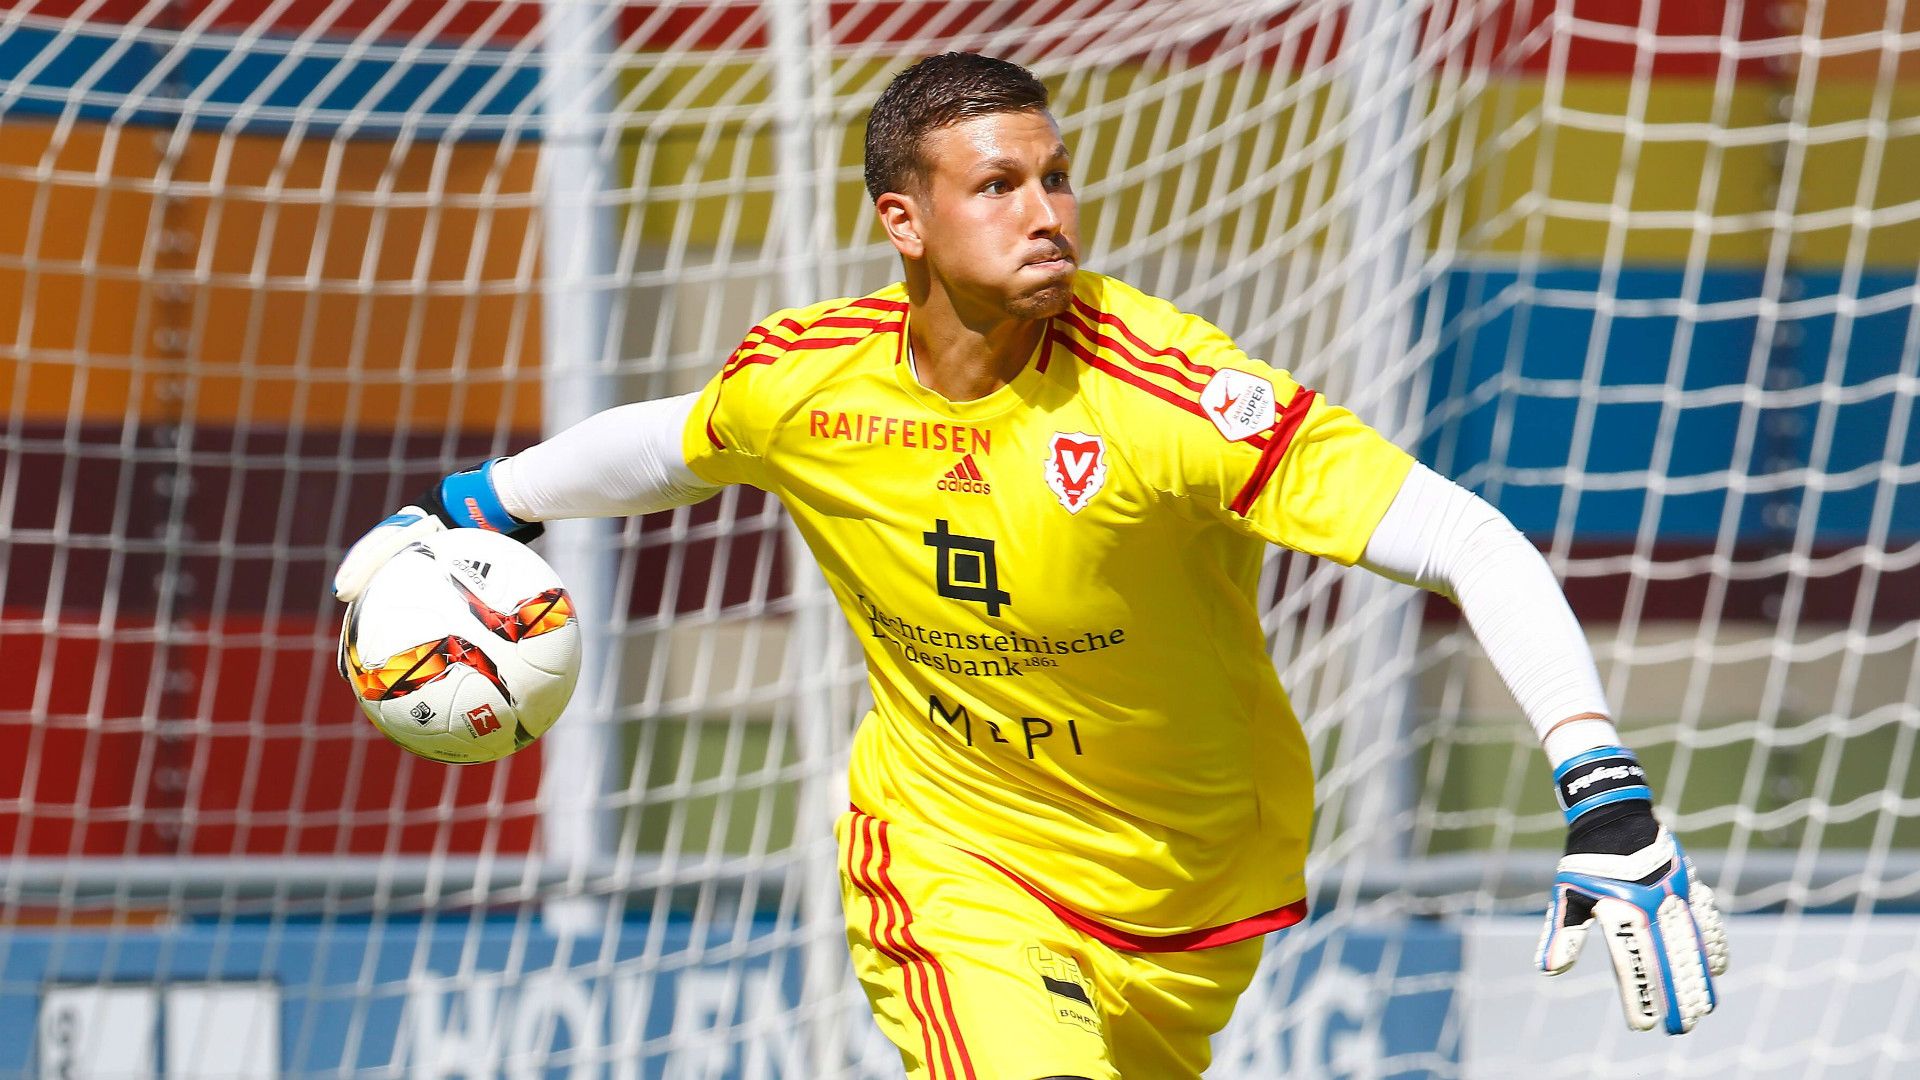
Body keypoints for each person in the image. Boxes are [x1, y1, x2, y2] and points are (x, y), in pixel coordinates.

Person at [335, 52, 1727, 1080]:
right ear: (905, 220)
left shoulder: (1171, 396)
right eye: (998, 185)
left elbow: (1470, 539)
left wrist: (1603, 789)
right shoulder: (809, 383)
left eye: (1055, 175)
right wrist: (478, 502)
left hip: (1191, 897)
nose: (1047, 209)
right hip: (956, 869)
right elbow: (673, 440)